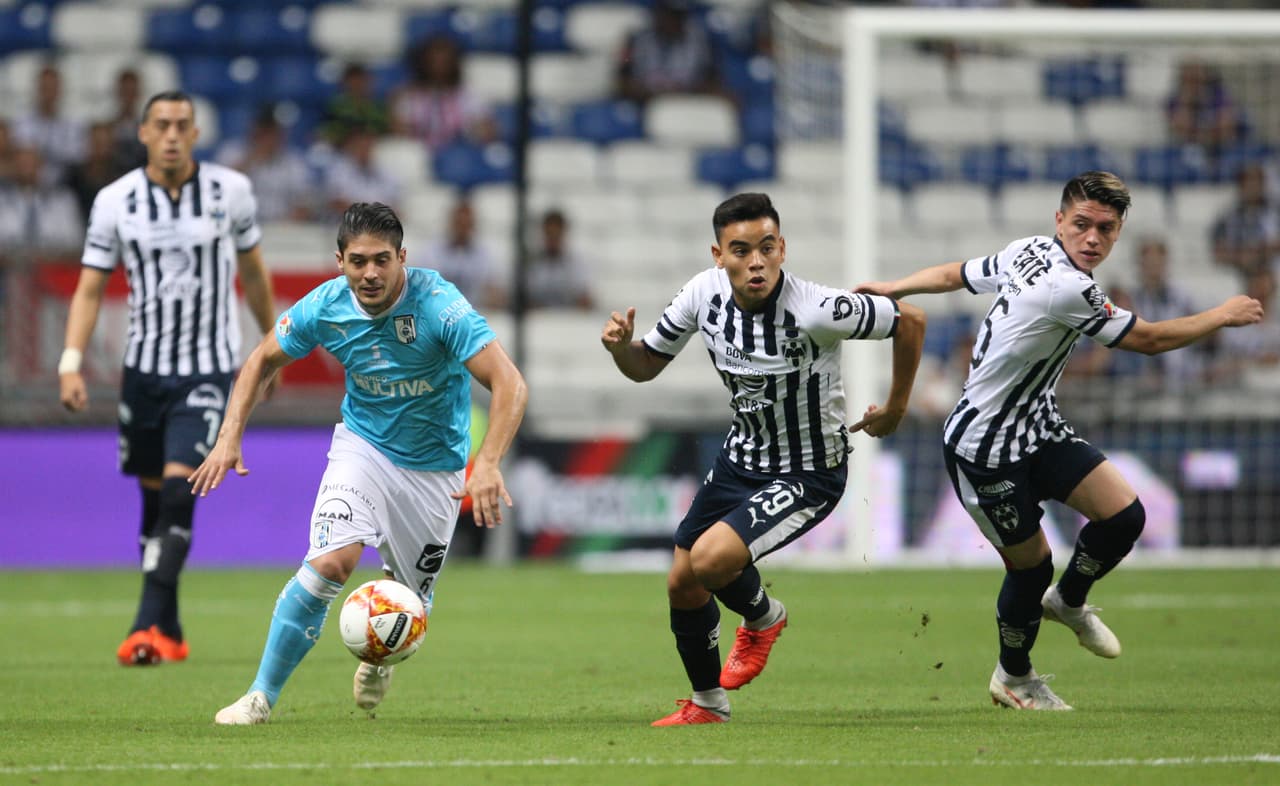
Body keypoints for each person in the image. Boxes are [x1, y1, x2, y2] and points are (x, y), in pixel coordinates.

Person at [855, 171, 1263, 710]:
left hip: (1037, 425)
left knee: (1124, 517)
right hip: (985, 448)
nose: (1093, 238)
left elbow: (957, 273)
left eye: (1106, 229)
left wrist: (896, 285)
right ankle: (1014, 677)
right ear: (1059, 221)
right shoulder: (1068, 288)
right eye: (1082, 225)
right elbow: (1148, 339)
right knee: (1031, 567)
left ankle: (1069, 603)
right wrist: (1223, 314)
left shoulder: (1029, 251)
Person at [192, 202, 527, 725]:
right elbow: (261, 359)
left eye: (382, 261)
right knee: (331, 562)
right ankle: (259, 696)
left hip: (434, 471)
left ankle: (379, 658)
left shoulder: (439, 305)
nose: (370, 273)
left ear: (402, 259)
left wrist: (486, 464)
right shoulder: (325, 305)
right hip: (363, 449)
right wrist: (228, 436)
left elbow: (510, 382)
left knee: (409, 611)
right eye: (358, 261)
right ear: (339, 261)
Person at [600, 192, 926, 725]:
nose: (756, 262)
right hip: (741, 458)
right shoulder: (701, 295)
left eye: (767, 248)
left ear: (782, 248)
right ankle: (708, 704)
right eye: (741, 250)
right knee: (682, 582)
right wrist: (620, 348)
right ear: (718, 254)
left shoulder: (817, 307)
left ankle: (763, 616)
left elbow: (910, 319)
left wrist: (895, 407)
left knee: (708, 560)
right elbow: (644, 366)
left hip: (809, 470)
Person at [58, 91, 277, 666]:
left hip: (208, 368)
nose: (173, 134)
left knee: (181, 489)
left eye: (183, 124)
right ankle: (171, 630)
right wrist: (70, 361)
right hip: (143, 372)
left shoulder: (231, 192)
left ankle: (142, 628)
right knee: (156, 505)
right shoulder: (115, 201)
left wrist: (269, 348)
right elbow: (89, 287)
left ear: (196, 132)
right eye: (163, 125)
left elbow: (254, 273)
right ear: (144, 133)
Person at [391, 35, 496, 152]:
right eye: (433, 62)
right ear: (424, 63)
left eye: (444, 62)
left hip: (458, 156)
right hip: (417, 155)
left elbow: (488, 132)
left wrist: (476, 130)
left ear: (453, 63)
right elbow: (398, 132)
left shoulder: (469, 96)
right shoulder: (408, 95)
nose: (439, 67)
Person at [614, 0, 727, 106]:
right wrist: (652, 93)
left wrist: (683, 91)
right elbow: (623, 82)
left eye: (679, 16)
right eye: (669, 15)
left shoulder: (702, 41)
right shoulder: (636, 39)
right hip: (644, 103)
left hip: (688, 103)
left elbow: (713, 82)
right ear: (659, 14)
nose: (674, 22)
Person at [216, 106, 315, 222]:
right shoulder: (231, 151)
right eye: (264, 131)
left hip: (282, 227)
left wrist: (288, 224)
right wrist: (252, 157)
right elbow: (218, 188)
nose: (269, 137)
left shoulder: (294, 161)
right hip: (238, 225)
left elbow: (305, 201)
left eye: (273, 132)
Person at [424, 198, 506, 310]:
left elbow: (495, 292)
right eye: (459, 223)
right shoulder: (431, 252)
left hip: (476, 313)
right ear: (451, 224)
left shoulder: (485, 255)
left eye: (466, 224)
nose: (462, 229)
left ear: (473, 226)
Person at [1212, 163, 1280, 279]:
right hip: (1239, 270)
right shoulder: (1227, 217)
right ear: (1241, 186)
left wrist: (1260, 251)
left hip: (1272, 267)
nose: (1253, 188)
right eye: (1248, 183)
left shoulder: (1275, 212)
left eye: (1257, 183)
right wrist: (1240, 256)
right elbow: (1218, 250)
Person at [526, 208, 593, 310]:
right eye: (549, 235)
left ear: (563, 234)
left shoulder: (577, 262)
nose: (553, 240)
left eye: (556, 235)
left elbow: (585, 300)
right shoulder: (530, 263)